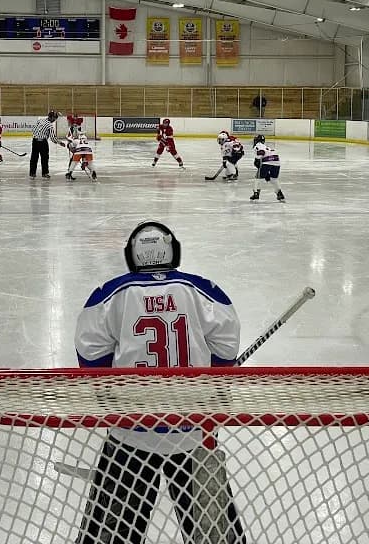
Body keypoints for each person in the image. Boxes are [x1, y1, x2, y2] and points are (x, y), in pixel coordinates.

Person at [74, 221, 245, 544]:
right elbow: (226, 346)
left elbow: (90, 356)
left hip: (130, 433)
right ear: (173, 251)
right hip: (194, 433)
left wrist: (109, 395)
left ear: (131, 256)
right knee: (215, 537)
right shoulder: (201, 289)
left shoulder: (110, 294)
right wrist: (215, 385)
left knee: (111, 536)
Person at [249, 134, 284, 202]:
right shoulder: (266, 146)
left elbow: (261, 153)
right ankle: (279, 194)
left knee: (257, 178)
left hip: (267, 161)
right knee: (274, 179)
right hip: (276, 161)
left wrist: (257, 160)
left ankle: (256, 193)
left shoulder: (257, 145)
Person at [30, 110, 59, 179]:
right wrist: (59, 142)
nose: (54, 120)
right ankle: (45, 173)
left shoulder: (40, 120)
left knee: (34, 158)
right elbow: (53, 138)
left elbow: (33, 130)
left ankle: (32, 173)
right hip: (43, 143)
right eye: (54, 119)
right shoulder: (50, 125)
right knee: (45, 158)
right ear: (51, 117)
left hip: (35, 141)